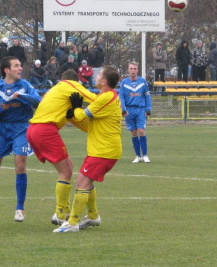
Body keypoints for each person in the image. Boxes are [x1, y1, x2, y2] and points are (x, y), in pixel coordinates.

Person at [53, 66, 122, 233]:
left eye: (99, 75)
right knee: (87, 182)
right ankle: (93, 216)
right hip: (101, 149)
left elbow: (83, 116)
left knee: (82, 182)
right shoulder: (105, 96)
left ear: (104, 81)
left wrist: (75, 109)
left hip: (104, 151)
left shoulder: (106, 98)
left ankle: (72, 222)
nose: (97, 76)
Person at [26, 69, 97, 226]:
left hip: (33, 130)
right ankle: (60, 213)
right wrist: (109, 104)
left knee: (67, 167)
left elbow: (73, 118)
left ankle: (63, 210)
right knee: (66, 171)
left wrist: (94, 129)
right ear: (75, 82)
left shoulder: (56, 92)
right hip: (45, 130)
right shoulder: (69, 85)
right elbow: (95, 99)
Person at [0, 56, 41, 223]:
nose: (20, 68)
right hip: (0, 129)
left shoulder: (25, 86)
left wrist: (21, 96)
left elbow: (38, 101)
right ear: (6, 70)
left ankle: (20, 208)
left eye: (20, 65)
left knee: (20, 163)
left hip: (21, 128)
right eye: (16, 66)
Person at [119, 62, 152, 163]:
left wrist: (148, 108)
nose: (133, 71)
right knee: (133, 133)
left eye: (135, 69)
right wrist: (123, 109)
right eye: (131, 69)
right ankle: (138, 156)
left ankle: (145, 155)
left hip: (140, 109)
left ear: (137, 70)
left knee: (141, 131)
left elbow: (147, 95)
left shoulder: (143, 82)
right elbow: (122, 97)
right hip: (129, 110)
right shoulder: (124, 83)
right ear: (128, 70)